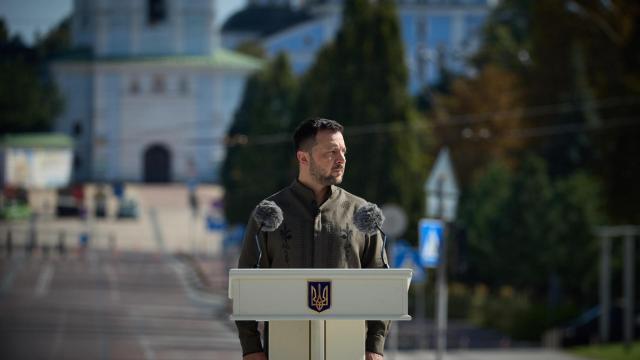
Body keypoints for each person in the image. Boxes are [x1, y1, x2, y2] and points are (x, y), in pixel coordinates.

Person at [236, 117, 388, 360]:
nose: (342, 159)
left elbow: (382, 285)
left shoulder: (363, 214)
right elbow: (245, 284)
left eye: (343, 151)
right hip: (285, 348)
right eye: (331, 152)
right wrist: (251, 348)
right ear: (303, 158)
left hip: (347, 348)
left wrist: (375, 345)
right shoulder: (268, 213)